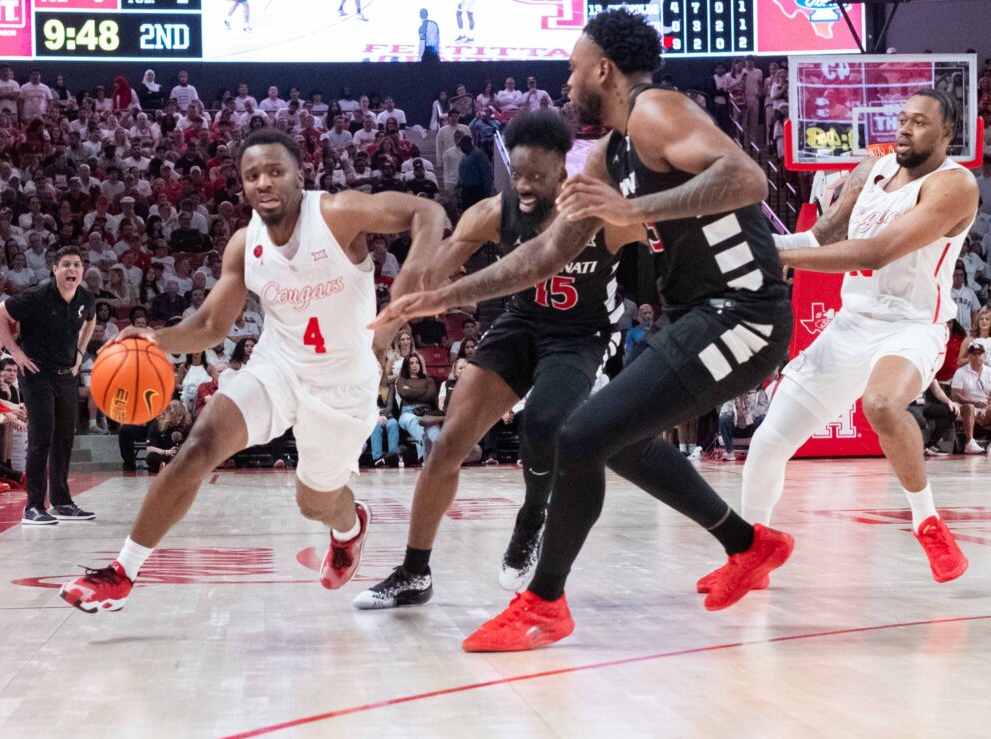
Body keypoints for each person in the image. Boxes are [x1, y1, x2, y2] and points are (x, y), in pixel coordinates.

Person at [373, 10, 795, 651]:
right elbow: (541, 258)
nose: (567, 82)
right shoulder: (608, 153)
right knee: (614, 439)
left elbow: (747, 178)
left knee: (579, 434)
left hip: (742, 311)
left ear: (603, 68)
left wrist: (637, 208)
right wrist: (444, 296)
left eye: (574, 67)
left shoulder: (657, 111)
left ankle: (543, 602)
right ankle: (749, 543)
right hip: (698, 314)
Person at [58, 129, 446, 613]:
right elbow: (211, 325)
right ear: (242, 185)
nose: (264, 182)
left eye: (275, 171)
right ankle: (122, 572)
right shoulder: (245, 245)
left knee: (315, 503)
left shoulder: (336, 213)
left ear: (300, 176)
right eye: (252, 175)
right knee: (198, 447)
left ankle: (349, 528)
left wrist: (409, 285)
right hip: (277, 367)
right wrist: (156, 336)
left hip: (343, 383)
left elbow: (428, 212)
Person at [354, 110, 645, 610]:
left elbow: (675, 235)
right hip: (519, 327)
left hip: (580, 336)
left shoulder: (600, 214)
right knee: (447, 445)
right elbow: (431, 278)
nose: (527, 185)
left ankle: (531, 518)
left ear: (562, 173)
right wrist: (391, 323)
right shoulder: (493, 212)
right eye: (520, 174)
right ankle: (414, 572)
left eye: (538, 176)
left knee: (544, 421)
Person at [748, 89, 976, 585]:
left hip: (914, 326)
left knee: (881, 404)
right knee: (768, 442)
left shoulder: (955, 185)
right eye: (902, 119)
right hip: (853, 322)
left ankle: (928, 522)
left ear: (947, 134)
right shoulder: (870, 170)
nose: (904, 128)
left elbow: (874, 252)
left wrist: (772, 258)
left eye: (919, 122)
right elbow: (819, 236)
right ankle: (752, 554)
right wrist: (757, 244)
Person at [0, 246, 97, 525]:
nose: (72, 269)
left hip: (66, 375)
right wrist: (15, 352)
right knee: (41, 438)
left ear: (82, 271)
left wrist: (79, 351)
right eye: (66, 265)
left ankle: (62, 503)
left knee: (64, 439)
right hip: (37, 373)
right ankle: (33, 506)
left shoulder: (85, 298)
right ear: (55, 269)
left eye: (77, 265)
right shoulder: (37, 295)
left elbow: (91, 318)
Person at [951, 343, 991, 454]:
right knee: (969, 408)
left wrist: (985, 408)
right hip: (965, 405)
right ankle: (970, 443)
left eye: (980, 354)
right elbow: (955, 395)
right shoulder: (960, 372)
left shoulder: (989, 371)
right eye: (974, 354)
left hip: (985, 405)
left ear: (985, 356)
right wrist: (973, 402)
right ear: (969, 356)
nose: (977, 357)